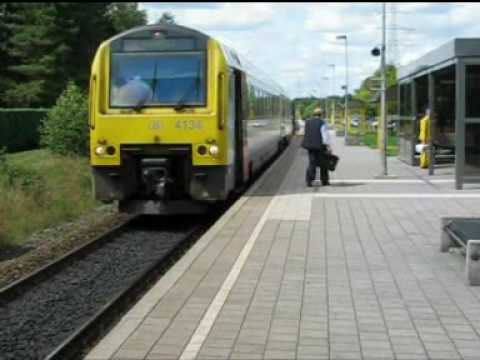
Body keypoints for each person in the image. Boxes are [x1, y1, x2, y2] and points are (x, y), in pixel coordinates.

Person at [301, 107, 332, 187]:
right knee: (323, 164)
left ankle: (309, 181)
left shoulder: (307, 122)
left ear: (313, 114)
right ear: (321, 114)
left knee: (312, 163)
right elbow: (325, 136)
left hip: (310, 146)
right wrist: (328, 146)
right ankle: (324, 181)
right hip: (320, 146)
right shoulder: (322, 123)